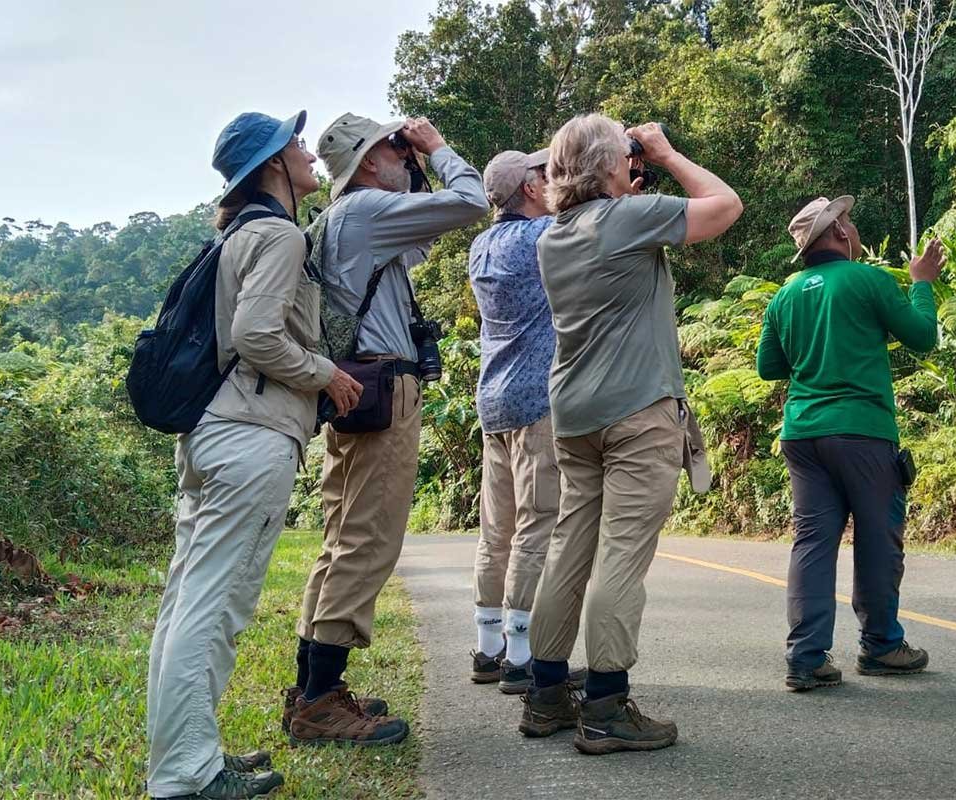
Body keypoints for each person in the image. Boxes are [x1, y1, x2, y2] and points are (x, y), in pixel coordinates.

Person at [146, 110, 363, 799]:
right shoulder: (277, 234)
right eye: (297, 144)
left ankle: (192, 755)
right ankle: (185, 775)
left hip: (212, 431)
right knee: (213, 606)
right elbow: (259, 335)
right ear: (274, 165)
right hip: (251, 434)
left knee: (188, 601)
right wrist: (327, 374)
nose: (307, 154)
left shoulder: (238, 235)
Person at [520, 115, 741, 755]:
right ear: (605, 167)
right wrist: (666, 153)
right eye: (624, 152)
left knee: (569, 547)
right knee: (622, 552)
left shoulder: (552, 235)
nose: (632, 157)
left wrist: (625, 158)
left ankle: (546, 692)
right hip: (637, 410)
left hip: (574, 412)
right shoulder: (624, 219)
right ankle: (609, 704)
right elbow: (724, 205)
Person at [286, 114, 488, 746]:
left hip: (357, 388)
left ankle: (311, 688)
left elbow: (428, 231)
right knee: (367, 540)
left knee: (342, 536)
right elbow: (472, 202)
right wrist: (437, 146)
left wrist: (416, 162)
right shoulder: (367, 211)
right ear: (370, 162)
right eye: (394, 149)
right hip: (382, 390)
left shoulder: (346, 219)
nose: (405, 156)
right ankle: (321, 700)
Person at [754, 195, 943, 692]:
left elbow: (768, 368)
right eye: (850, 222)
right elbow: (923, 335)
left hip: (802, 433)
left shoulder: (785, 295)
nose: (853, 229)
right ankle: (880, 646)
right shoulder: (867, 280)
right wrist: (922, 284)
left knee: (813, 544)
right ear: (839, 233)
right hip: (861, 431)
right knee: (877, 540)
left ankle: (806, 658)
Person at [467, 148, 585, 693]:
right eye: (543, 174)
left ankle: (487, 646)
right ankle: (522, 655)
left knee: (497, 530)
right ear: (530, 190)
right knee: (537, 524)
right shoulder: (541, 238)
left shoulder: (480, 246)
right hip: (537, 401)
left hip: (492, 399)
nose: (550, 178)